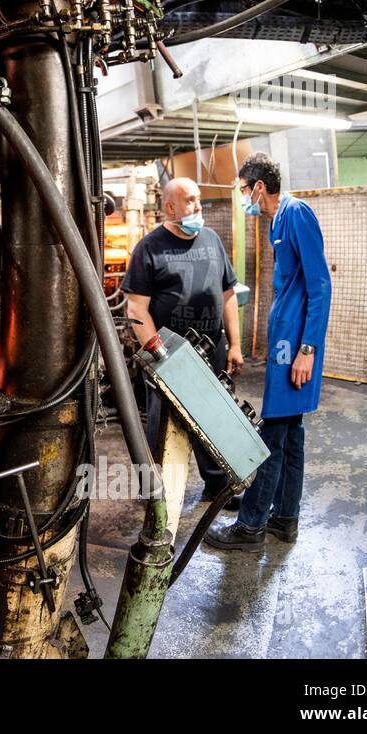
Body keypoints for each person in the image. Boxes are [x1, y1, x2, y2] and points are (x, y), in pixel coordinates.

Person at [205, 152, 331, 550]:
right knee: (291, 434)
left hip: (295, 345)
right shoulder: (278, 220)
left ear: (259, 187)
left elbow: (320, 286)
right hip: (286, 342)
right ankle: (285, 518)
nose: (243, 197)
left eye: (244, 189)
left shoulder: (297, 214)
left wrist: (307, 349)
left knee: (272, 435)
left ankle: (251, 526)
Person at [122, 176, 244, 504]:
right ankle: (158, 495)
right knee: (163, 426)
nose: (198, 207)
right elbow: (136, 308)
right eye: (190, 200)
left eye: (199, 200)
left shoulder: (212, 240)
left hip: (212, 349)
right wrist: (157, 352)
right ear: (170, 207)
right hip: (169, 355)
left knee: (212, 418)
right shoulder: (149, 247)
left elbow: (228, 294)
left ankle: (217, 484)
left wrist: (235, 344)